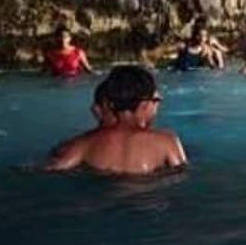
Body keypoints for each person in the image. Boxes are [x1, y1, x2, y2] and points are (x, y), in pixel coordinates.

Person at [45, 65, 187, 175]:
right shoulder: (167, 141)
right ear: (145, 105)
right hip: (148, 204)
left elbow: (53, 169)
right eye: (156, 101)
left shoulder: (85, 143)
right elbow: (182, 176)